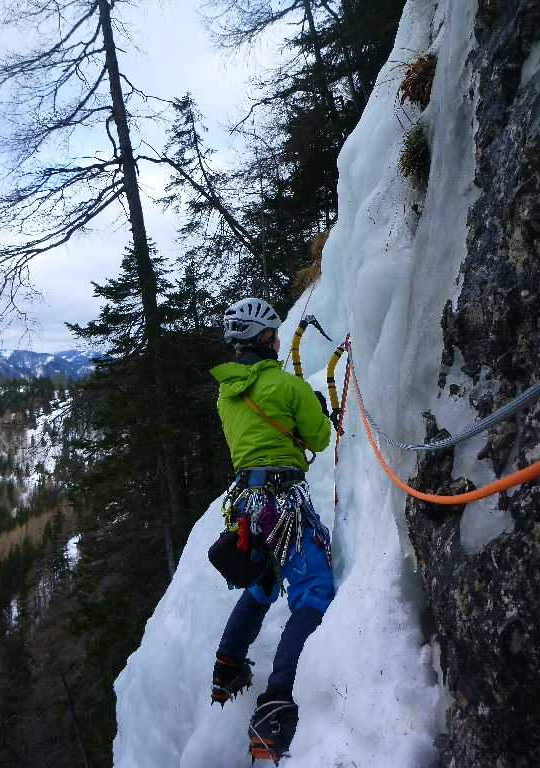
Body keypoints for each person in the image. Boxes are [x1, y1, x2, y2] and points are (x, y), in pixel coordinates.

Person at [209, 297, 335, 763]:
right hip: (284, 502)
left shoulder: (225, 395)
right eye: (275, 334)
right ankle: (276, 703)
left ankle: (227, 665)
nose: (279, 340)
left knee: (263, 583)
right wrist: (314, 407)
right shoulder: (287, 385)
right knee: (312, 588)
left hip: (246, 504)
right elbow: (319, 437)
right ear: (264, 338)